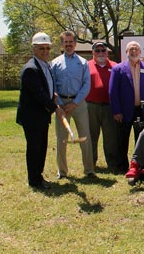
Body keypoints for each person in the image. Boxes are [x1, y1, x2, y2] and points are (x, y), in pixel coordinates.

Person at [17, 32, 65, 189]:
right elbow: (38, 94)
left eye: (47, 48)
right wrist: (55, 107)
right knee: (35, 147)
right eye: (41, 48)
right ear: (34, 49)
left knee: (42, 146)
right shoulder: (31, 69)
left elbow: (45, 88)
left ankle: (38, 175)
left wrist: (53, 94)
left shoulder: (46, 65)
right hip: (32, 116)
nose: (45, 51)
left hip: (42, 115)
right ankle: (34, 180)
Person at [51, 31, 95, 179]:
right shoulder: (55, 63)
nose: (68, 45)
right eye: (66, 42)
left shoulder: (83, 63)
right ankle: (62, 172)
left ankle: (89, 170)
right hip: (61, 105)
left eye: (71, 42)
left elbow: (86, 85)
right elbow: (53, 85)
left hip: (79, 104)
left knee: (85, 136)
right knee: (61, 139)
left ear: (75, 44)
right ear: (62, 44)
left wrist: (74, 103)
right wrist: (62, 105)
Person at [109, 41, 144, 172]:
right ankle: (122, 166)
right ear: (126, 52)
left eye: (136, 49)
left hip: (142, 111)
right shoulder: (118, 69)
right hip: (124, 111)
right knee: (122, 139)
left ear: (140, 52)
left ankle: (139, 164)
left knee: (141, 139)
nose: (134, 51)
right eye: (131, 49)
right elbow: (113, 92)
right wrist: (117, 111)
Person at [86, 41, 118, 170]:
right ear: (93, 52)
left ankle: (112, 164)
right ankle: (91, 163)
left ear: (107, 52)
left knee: (110, 138)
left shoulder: (115, 66)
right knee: (91, 136)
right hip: (91, 106)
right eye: (97, 50)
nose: (100, 53)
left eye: (103, 50)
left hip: (109, 107)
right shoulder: (86, 66)